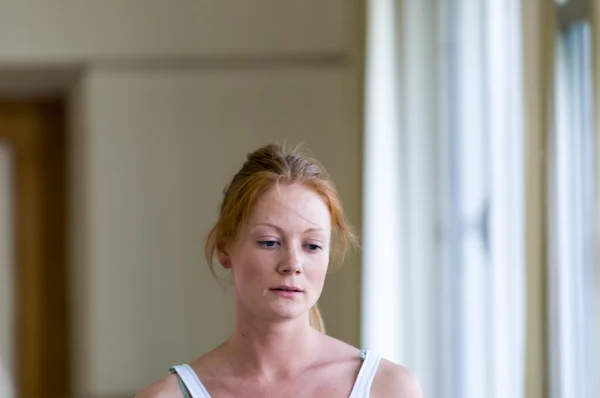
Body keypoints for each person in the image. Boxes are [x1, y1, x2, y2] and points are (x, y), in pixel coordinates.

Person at [137, 143, 422, 397]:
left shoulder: (388, 388)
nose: (292, 264)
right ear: (225, 249)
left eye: (312, 246)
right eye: (269, 242)